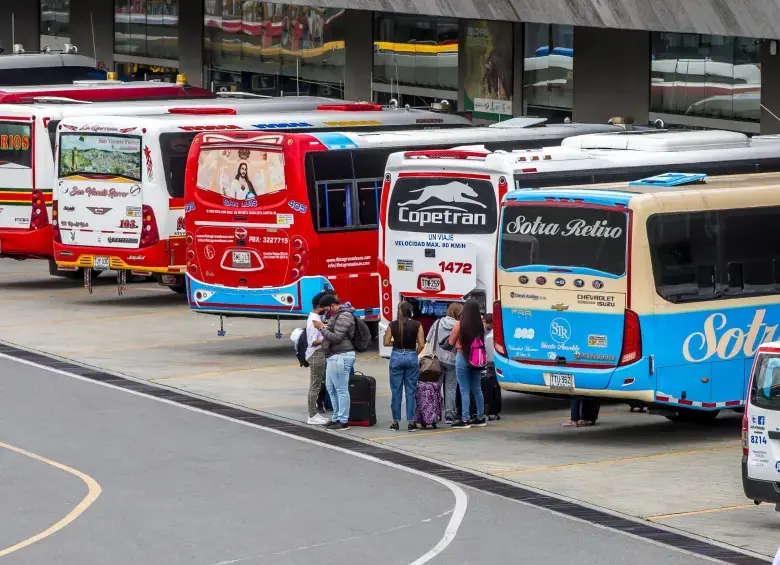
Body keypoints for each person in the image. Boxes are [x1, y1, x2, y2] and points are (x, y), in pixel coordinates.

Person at [314, 294, 356, 431]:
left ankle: (343, 421)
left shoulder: (344, 315)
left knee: (341, 389)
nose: (327, 312)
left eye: (327, 309)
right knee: (331, 388)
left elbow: (337, 337)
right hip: (334, 355)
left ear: (332, 305)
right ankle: (336, 417)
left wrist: (321, 328)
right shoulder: (337, 315)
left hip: (342, 355)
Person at [383, 301, 425, 432]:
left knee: (396, 391)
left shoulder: (392, 325)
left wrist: (395, 343)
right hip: (411, 355)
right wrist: (414, 354)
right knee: (411, 391)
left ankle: (395, 422)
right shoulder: (417, 324)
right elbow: (422, 344)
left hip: (396, 356)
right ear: (410, 311)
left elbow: (386, 342)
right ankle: (411, 422)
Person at [448, 298, 487, 429]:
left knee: (464, 389)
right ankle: (480, 417)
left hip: (462, 356)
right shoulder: (480, 326)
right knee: (477, 388)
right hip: (477, 358)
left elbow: (451, 341)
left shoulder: (459, 324)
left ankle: (465, 419)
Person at [425, 303, 462, 423]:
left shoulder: (437, 322)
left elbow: (428, 338)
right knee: (450, 388)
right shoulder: (459, 325)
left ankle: (433, 413)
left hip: (437, 360)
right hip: (452, 360)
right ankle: (449, 415)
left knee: (436, 387)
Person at [305, 292, 330, 425]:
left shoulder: (315, 318)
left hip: (317, 354)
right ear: (320, 306)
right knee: (315, 385)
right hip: (316, 354)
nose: (328, 309)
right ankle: (312, 415)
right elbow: (313, 341)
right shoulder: (314, 321)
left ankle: (314, 413)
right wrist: (327, 338)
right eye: (326, 306)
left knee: (317, 385)